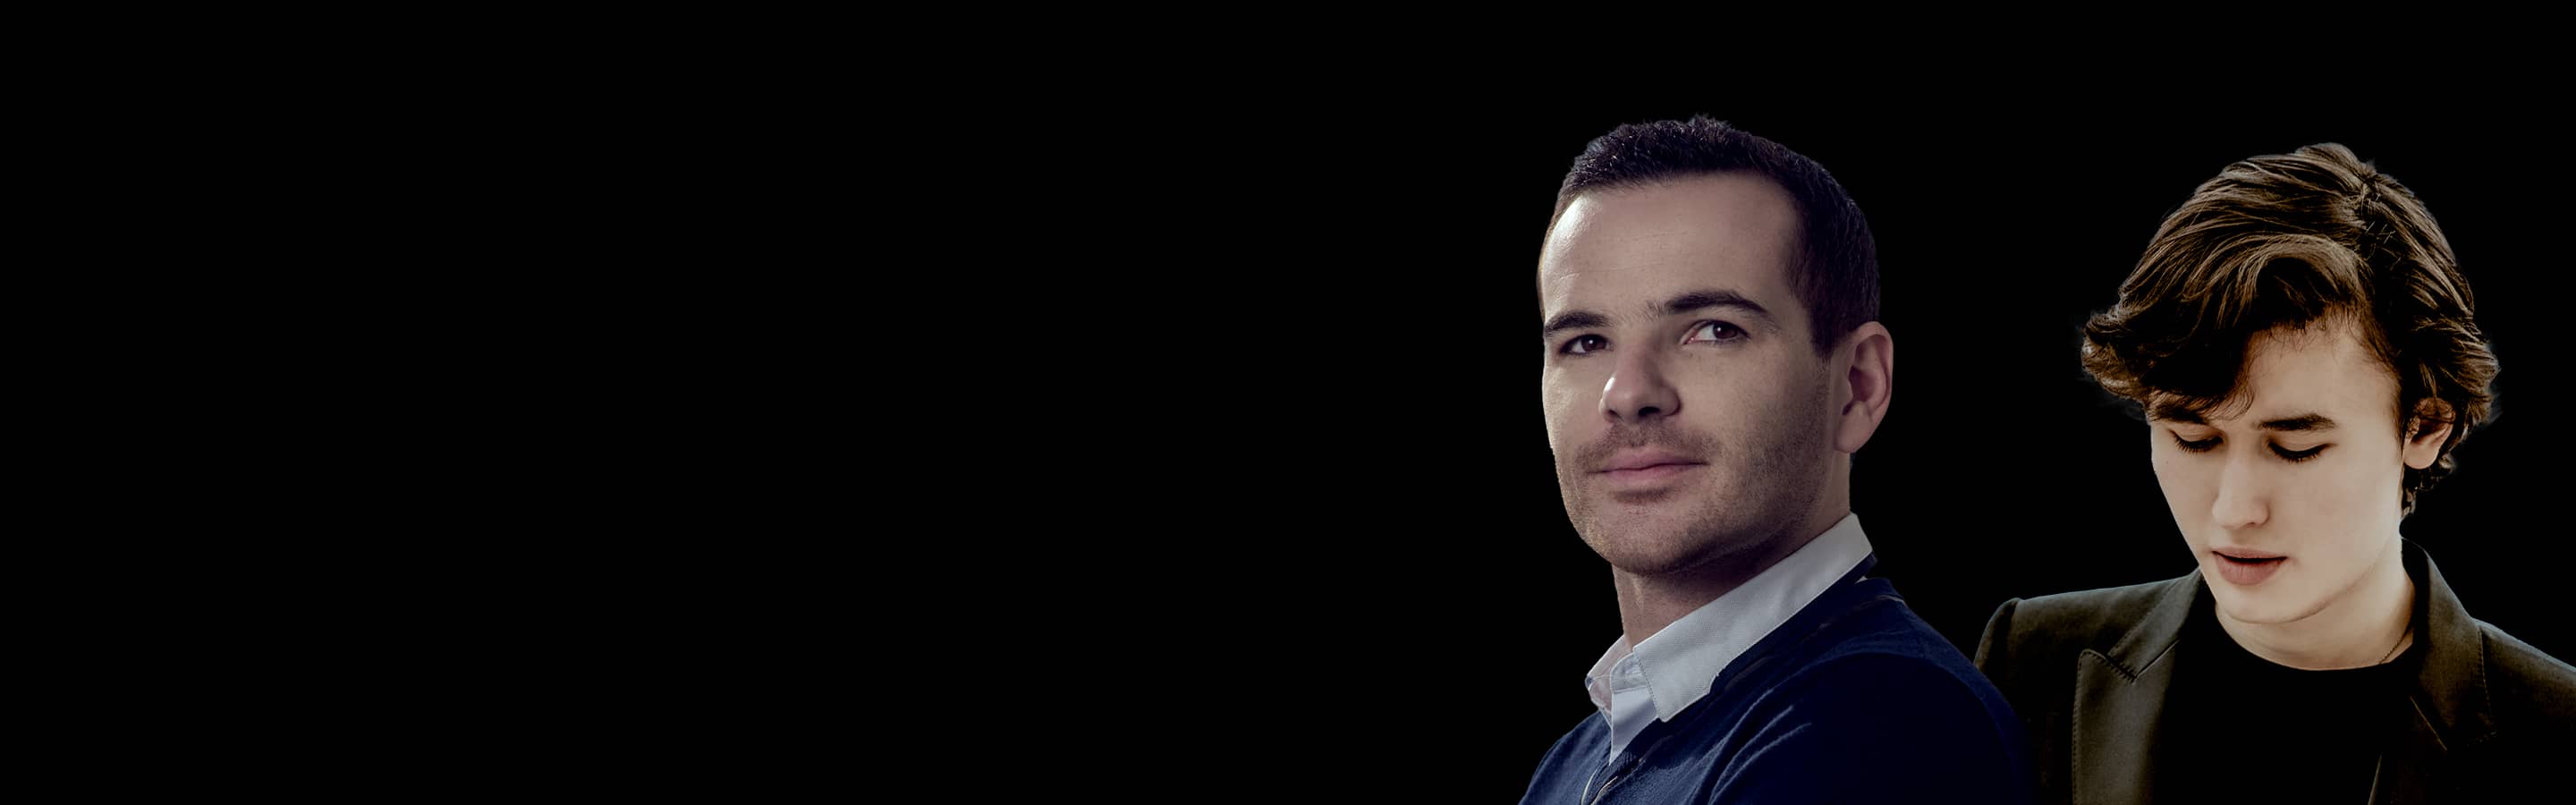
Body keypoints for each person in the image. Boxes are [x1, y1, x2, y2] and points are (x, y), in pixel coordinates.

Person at [1974, 143, 2576, 804]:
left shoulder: (2559, 732)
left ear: (2426, 426)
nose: (2233, 512)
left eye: (2295, 448)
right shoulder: (2031, 662)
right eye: (2193, 440)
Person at [1519, 116, 2030, 803]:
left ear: (1857, 385)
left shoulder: (1880, 726)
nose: (1629, 393)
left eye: (1713, 330)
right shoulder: (1577, 761)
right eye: (1585, 342)